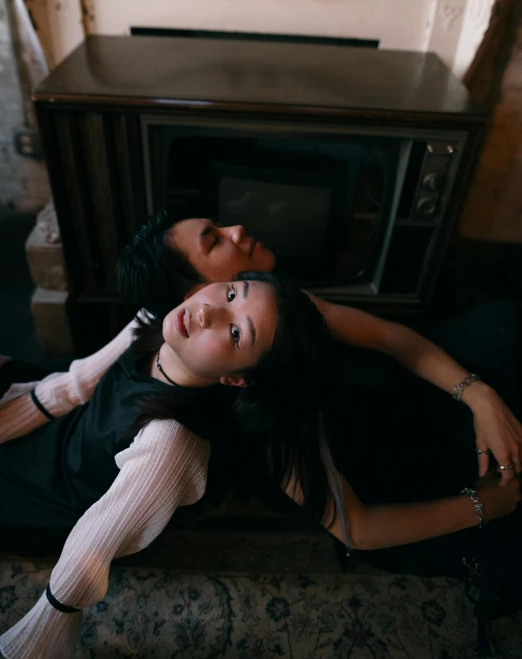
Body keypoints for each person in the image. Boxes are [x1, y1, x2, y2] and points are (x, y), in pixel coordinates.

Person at [0, 272, 332, 659]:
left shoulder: (170, 444)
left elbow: (91, 548)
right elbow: (79, 382)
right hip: (66, 427)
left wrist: (41, 632)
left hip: (49, 490)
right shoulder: (160, 322)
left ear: (236, 379)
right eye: (229, 293)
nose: (208, 311)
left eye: (238, 334)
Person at [117, 210, 522, 486]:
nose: (236, 229)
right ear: (193, 296)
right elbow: (353, 524)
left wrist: (477, 393)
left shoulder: (275, 303)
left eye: (218, 226)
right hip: (388, 441)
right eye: (215, 242)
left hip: (399, 379)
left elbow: (388, 336)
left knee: (499, 327)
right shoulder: (252, 404)